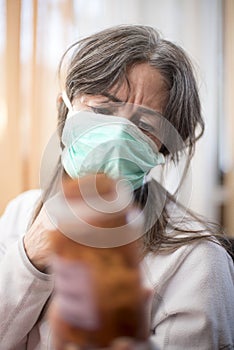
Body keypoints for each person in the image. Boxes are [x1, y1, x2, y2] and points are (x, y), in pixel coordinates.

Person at [0, 24, 233, 350]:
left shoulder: (197, 262)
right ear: (66, 109)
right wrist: (29, 258)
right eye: (103, 110)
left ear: (162, 149)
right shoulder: (19, 214)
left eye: (144, 125)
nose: (117, 135)